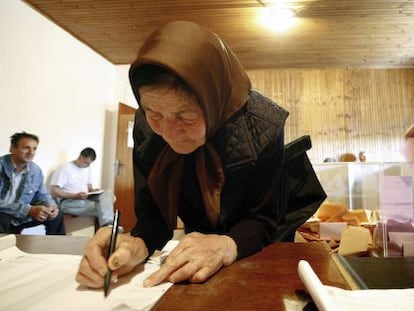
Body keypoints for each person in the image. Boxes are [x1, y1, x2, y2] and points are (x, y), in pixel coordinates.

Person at [76, 21, 290, 289]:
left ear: (212, 100)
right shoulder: (146, 129)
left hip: (256, 255)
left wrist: (226, 244)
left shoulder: (263, 126)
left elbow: (264, 219)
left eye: (185, 115)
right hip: (194, 265)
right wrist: (134, 245)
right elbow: (153, 216)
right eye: (154, 113)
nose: (168, 133)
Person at [0, 132, 65, 234]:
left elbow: (42, 196)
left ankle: (55, 248)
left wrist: (51, 207)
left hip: (20, 216)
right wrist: (27, 210)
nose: (31, 152)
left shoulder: (35, 170)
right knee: (2, 218)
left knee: (57, 215)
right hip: (4, 214)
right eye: (26, 148)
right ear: (12, 148)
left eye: (34, 148)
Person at [50, 147, 115, 227]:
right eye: (86, 162)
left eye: (90, 164)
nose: (88, 165)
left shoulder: (87, 168)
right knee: (105, 207)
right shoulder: (64, 168)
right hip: (69, 202)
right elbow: (54, 191)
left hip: (85, 199)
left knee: (108, 194)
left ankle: (107, 225)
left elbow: (89, 187)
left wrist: (93, 191)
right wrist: (74, 196)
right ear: (80, 157)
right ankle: (108, 226)